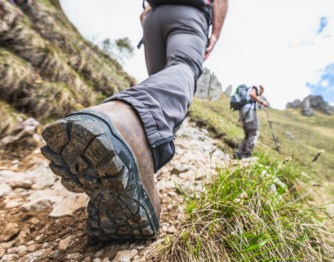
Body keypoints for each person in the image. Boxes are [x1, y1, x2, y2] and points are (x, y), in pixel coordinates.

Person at [41, 0, 228, 241]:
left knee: (162, 83)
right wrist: (216, 32)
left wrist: (149, 15)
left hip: (152, 19)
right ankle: (125, 125)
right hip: (189, 12)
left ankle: (134, 176)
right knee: (183, 68)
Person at [234, 85, 268, 159]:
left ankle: (239, 152)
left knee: (247, 134)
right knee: (254, 132)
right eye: (262, 92)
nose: (261, 94)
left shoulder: (247, 91)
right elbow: (252, 94)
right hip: (249, 111)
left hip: (242, 111)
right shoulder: (256, 88)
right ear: (261, 88)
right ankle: (247, 153)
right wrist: (261, 102)